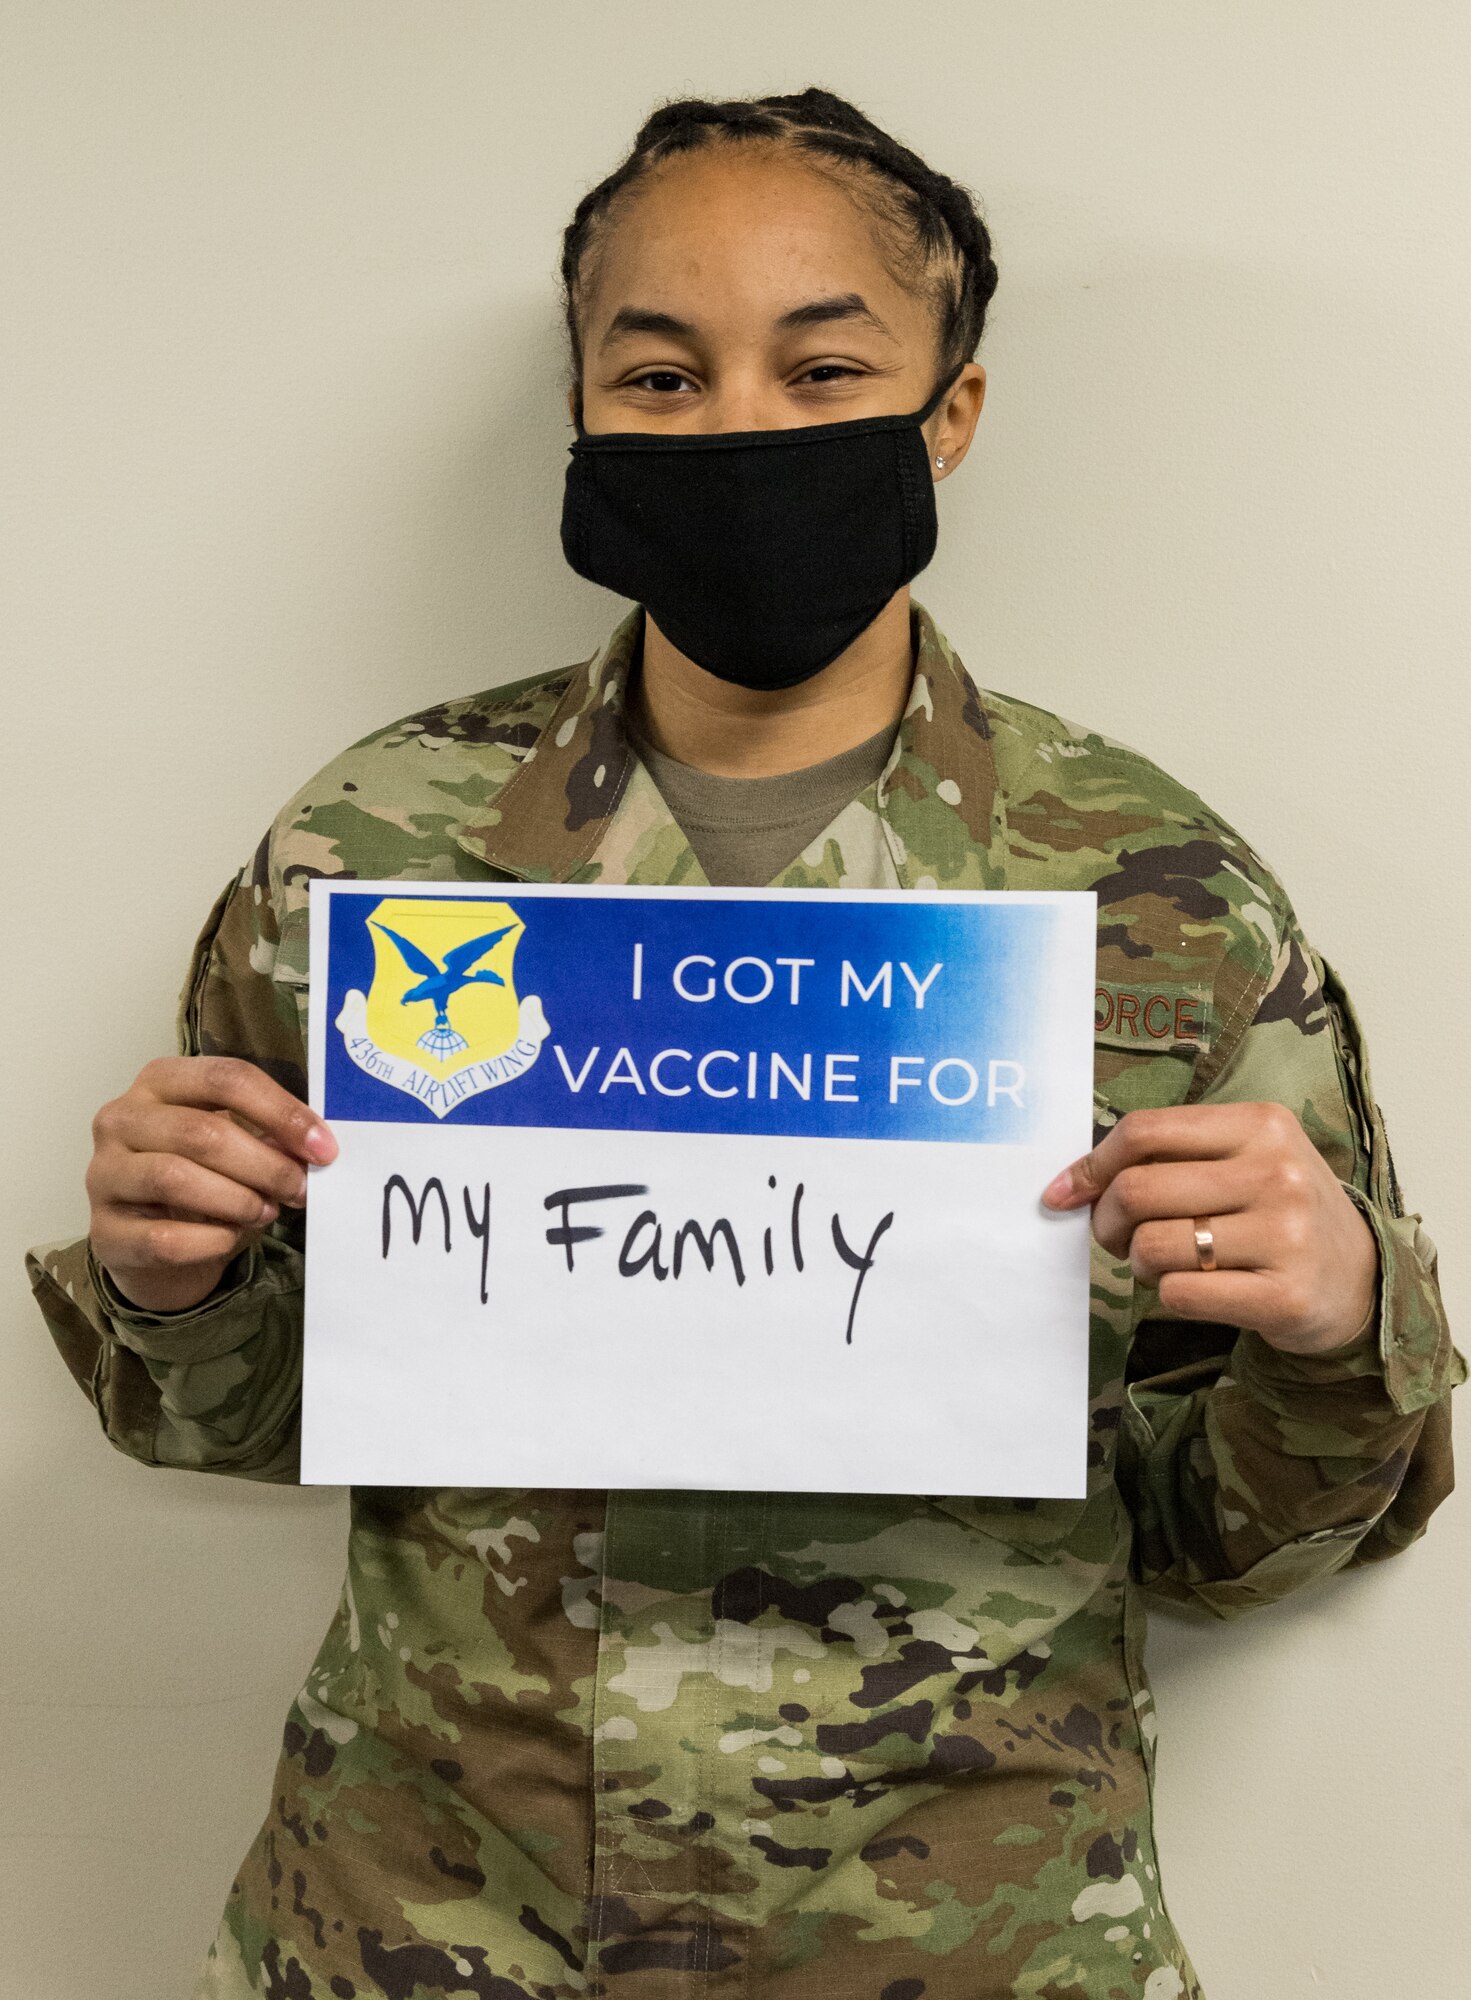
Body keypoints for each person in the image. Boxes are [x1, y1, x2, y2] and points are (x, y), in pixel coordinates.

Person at [26, 88, 1460, 2000]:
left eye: (823, 366)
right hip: (423, 1925)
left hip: (969, 1941)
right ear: (583, 410)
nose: (740, 429)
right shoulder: (370, 849)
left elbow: (1227, 1548)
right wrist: (170, 1277)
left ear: (949, 407)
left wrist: (1336, 1325)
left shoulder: (1160, 897)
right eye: (662, 376)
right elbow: (278, 1413)